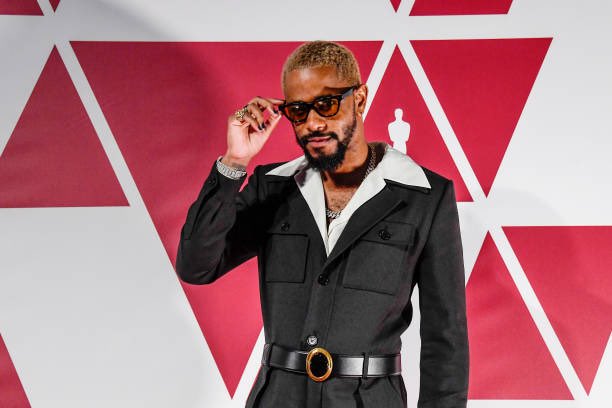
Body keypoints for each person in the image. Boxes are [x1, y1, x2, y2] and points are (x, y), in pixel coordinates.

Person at [176, 41, 468, 408]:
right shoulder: (273, 188)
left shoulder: (425, 196)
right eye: (298, 111)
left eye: (327, 104)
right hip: (278, 399)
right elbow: (196, 266)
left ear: (360, 99)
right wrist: (234, 162)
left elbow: (446, 337)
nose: (313, 123)